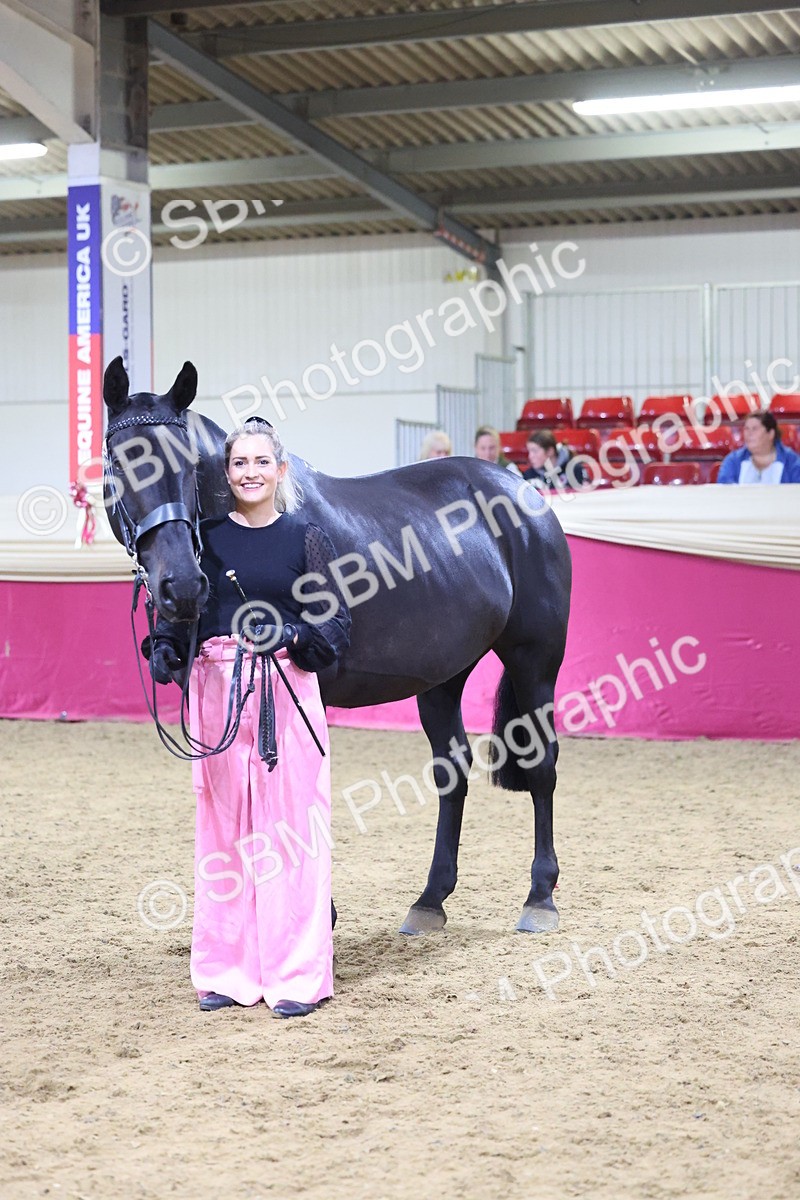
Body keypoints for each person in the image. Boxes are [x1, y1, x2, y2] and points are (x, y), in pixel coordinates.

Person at [146, 418, 350, 1018]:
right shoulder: (204, 539)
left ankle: (297, 976)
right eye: (239, 463)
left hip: (284, 692)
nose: (250, 473)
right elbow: (180, 612)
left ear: (280, 470)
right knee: (224, 837)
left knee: (291, 837)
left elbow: (335, 623)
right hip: (217, 693)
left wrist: (292, 633)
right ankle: (226, 972)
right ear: (226, 473)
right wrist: (165, 647)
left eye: (261, 462)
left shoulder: (306, 538)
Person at [717, 412, 800, 484]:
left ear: (771, 433)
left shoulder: (792, 462)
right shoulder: (733, 461)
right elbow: (725, 491)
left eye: (755, 429)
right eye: (746, 429)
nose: (749, 433)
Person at [522, 430, 587, 489]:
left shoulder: (575, 470)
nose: (530, 456)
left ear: (550, 451)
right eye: (529, 451)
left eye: (535, 451)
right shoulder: (529, 475)